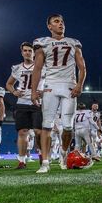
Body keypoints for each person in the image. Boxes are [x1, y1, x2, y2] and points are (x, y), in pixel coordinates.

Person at [31, 14, 86, 174]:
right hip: (50, 86)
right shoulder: (42, 42)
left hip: (69, 86)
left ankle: (63, 152)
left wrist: (79, 85)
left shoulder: (73, 42)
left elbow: (82, 67)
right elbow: (37, 68)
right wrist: (34, 91)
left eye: (62, 21)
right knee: (46, 125)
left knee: (68, 126)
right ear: (49, 26)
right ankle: (45, 163)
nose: (61, 24)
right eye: (56, 21)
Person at [6, 41, 43, 170]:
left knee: (39, 132)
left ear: (34, 52)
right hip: (22, 102)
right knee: (22, 132)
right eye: (25, 50)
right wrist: (14, 91)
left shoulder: (41, 66)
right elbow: (9, 84)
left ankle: (41, 156)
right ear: (22, 52)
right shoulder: (17, 68)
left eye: (30, 50)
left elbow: (50, 83)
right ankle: (22, 161)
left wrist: (43, 92)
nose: (27, 52)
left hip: (37, 102)